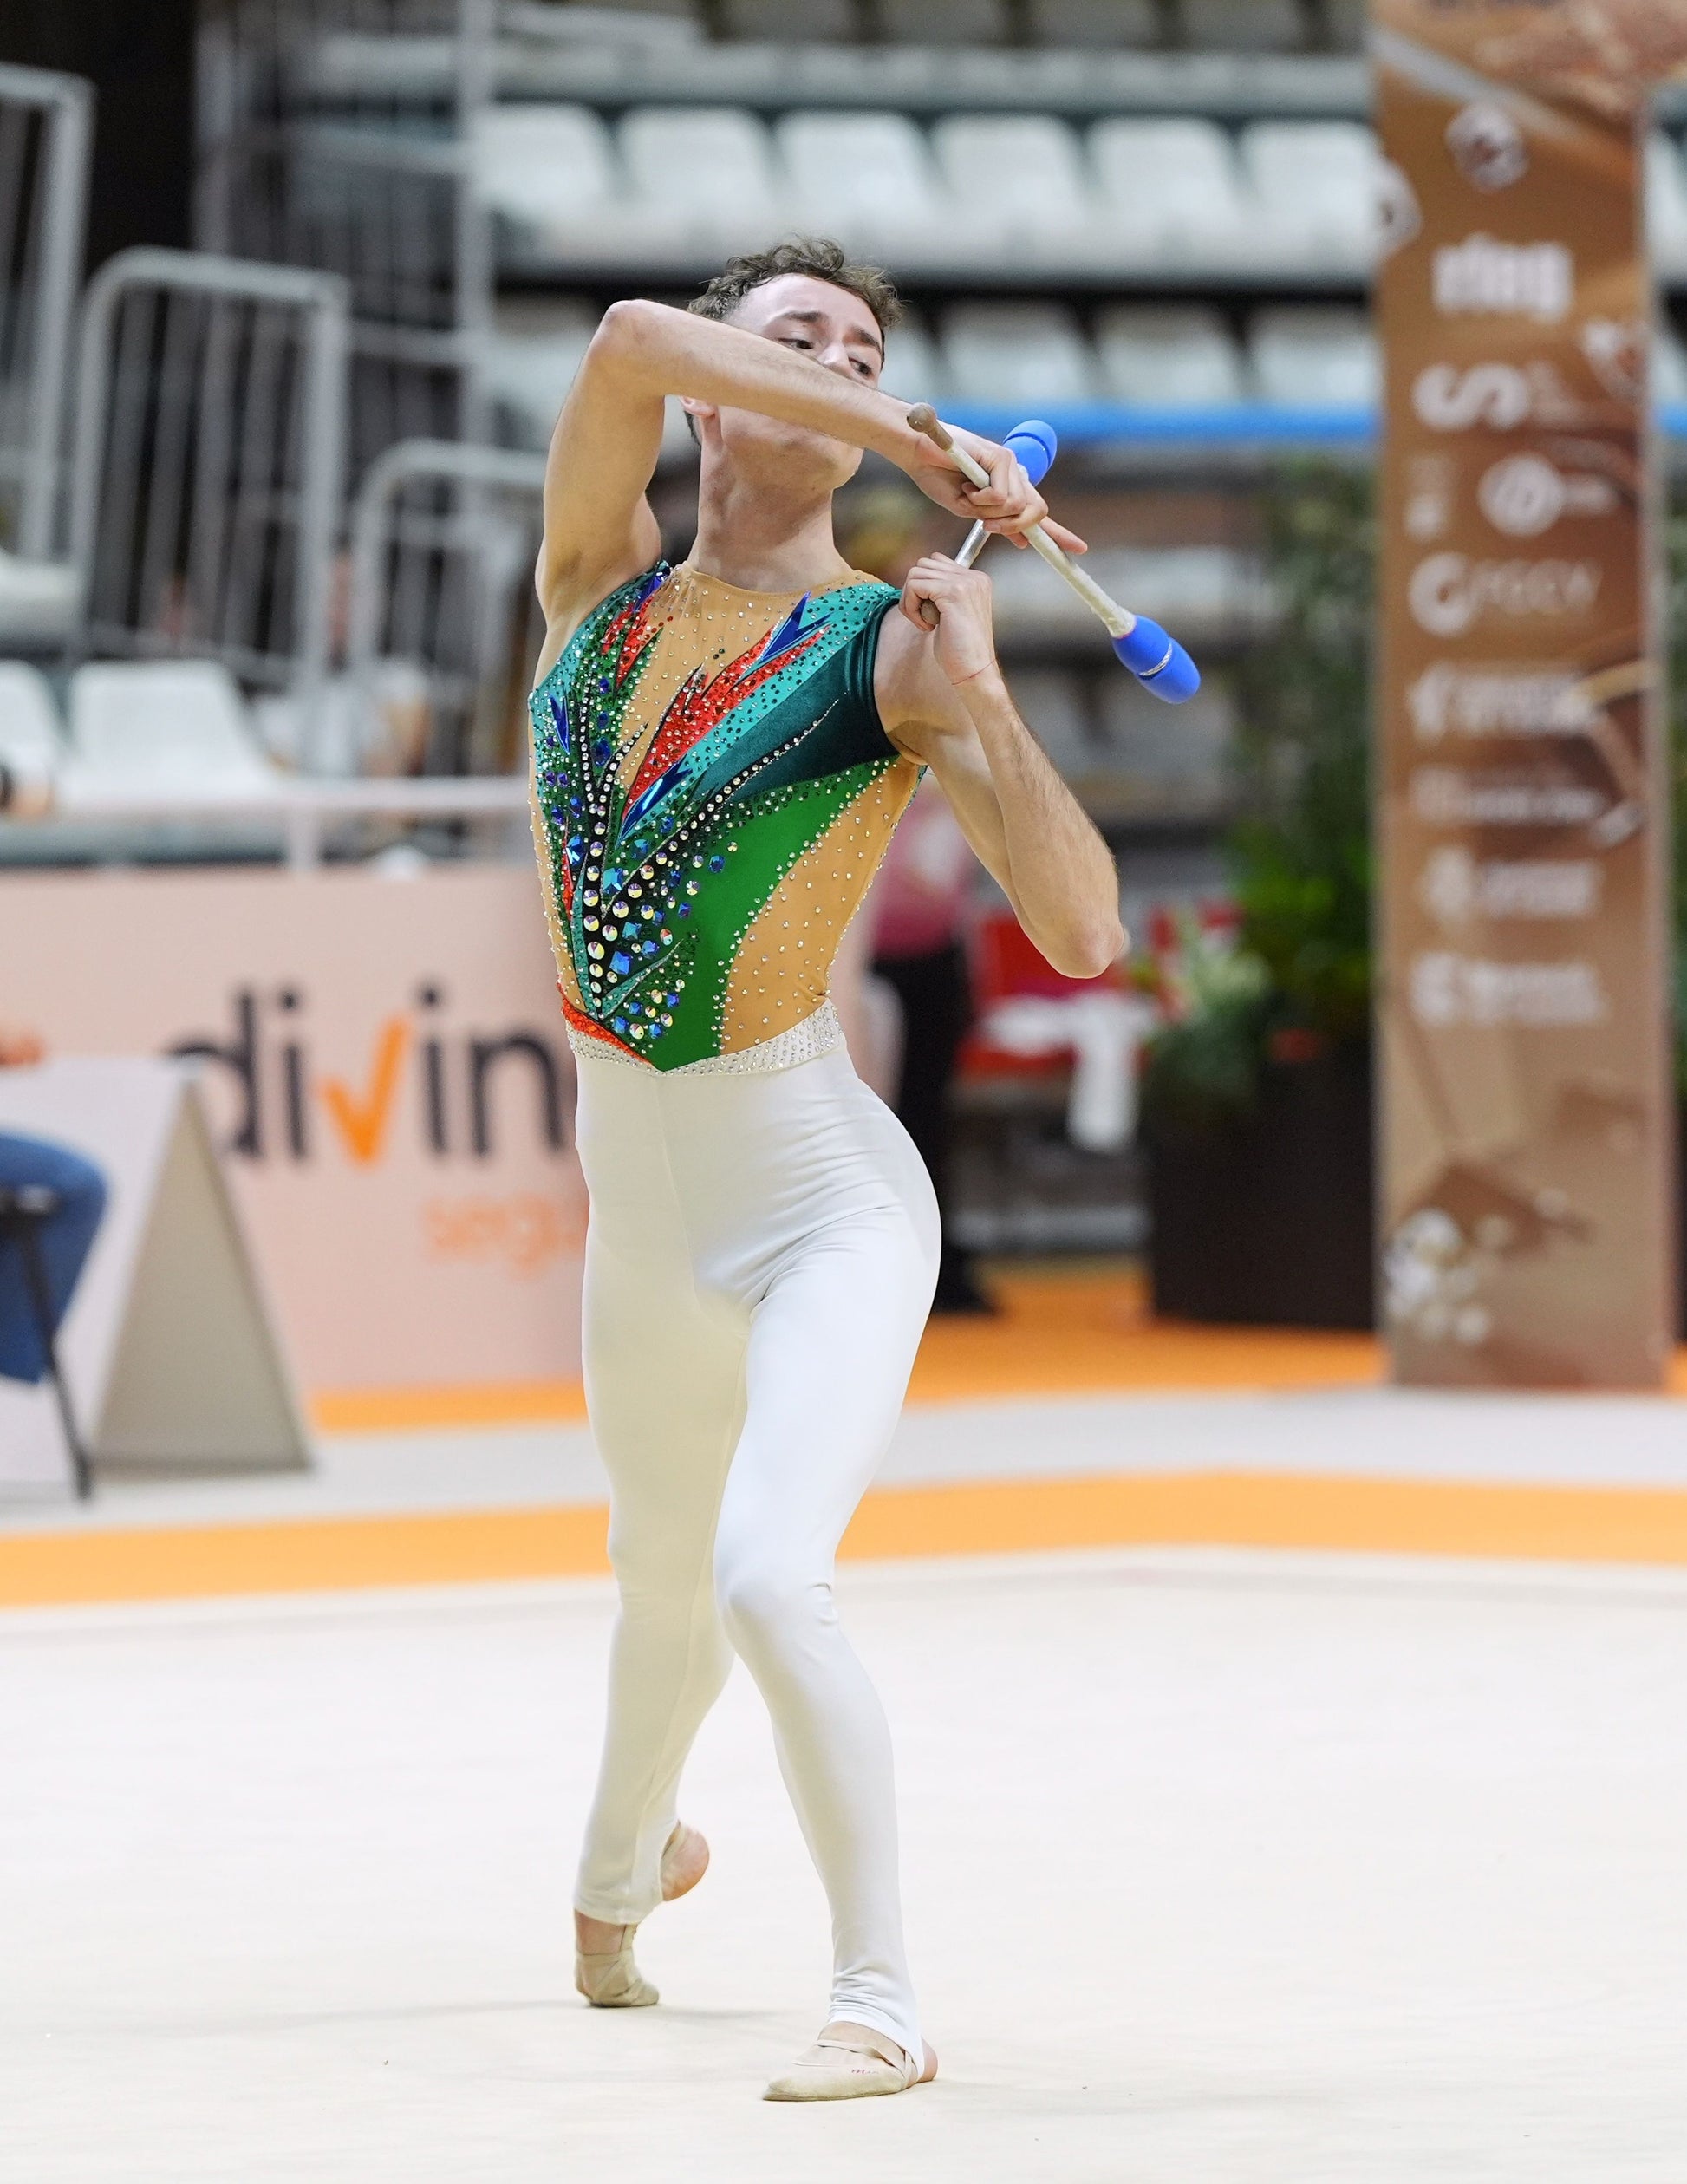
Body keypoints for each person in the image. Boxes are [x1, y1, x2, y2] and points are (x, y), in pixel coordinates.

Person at [529, 237, 1123, 2102]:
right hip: (637, 1214)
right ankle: (623, 1872)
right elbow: (627, 333)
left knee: (773, 1576)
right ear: (725, 394)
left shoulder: (879, 643)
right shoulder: (587, 591)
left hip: (821, 1205)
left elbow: (1089, 932)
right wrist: (919, 422)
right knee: (656, 1583)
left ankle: (882, 1998)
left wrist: (989, 697)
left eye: (867, 349)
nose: (841, 366)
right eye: (801, 343)